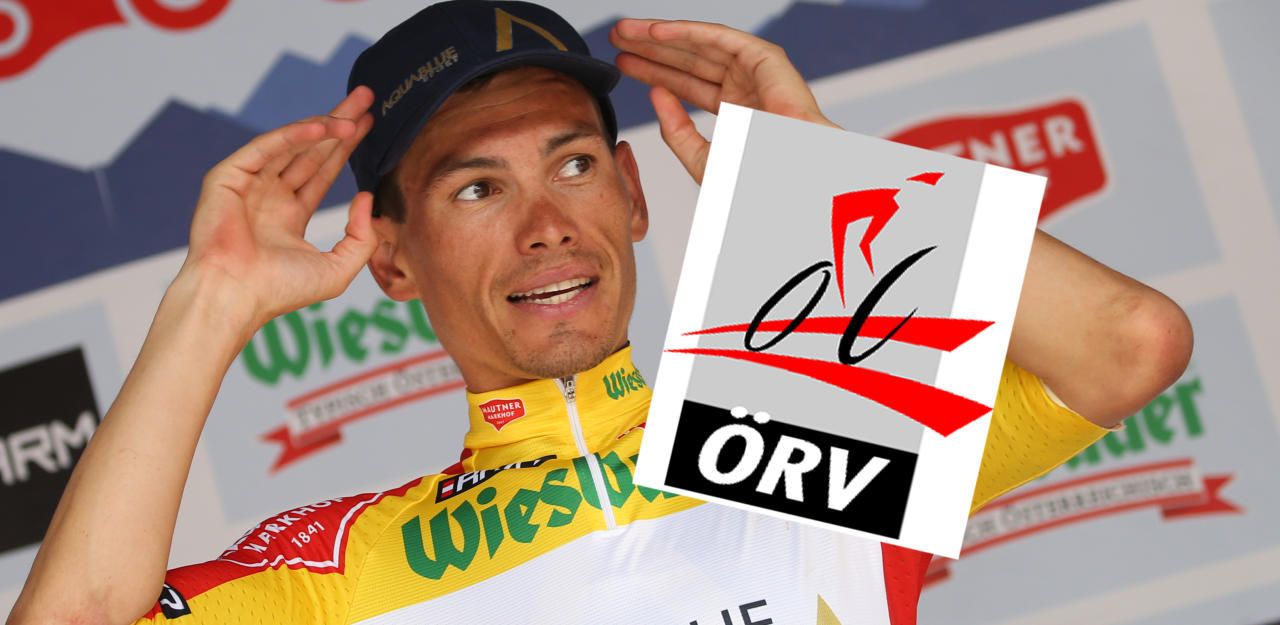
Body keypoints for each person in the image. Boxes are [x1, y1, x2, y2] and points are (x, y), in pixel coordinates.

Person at [7, 1, 1193, 624]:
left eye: (571, 164)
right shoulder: (346, 567)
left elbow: (1125, 343)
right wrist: (210, 304)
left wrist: (828, 172)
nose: (544, 224)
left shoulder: (799, 440)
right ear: (393, 259)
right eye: (476, 187)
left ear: (630, 194)